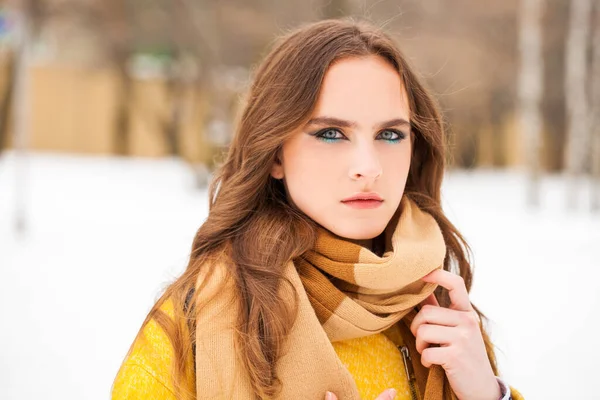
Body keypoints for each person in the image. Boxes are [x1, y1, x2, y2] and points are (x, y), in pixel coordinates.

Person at [111, 18, 524, 400]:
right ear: (275, 153)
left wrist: (489, 395)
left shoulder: (438, 306)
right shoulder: (195, 322)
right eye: (331, 133)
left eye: (390, 134)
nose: (368, 167)